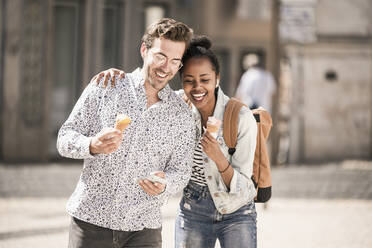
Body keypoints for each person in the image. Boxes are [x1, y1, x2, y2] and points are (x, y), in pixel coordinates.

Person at [95, 36, 258, 248]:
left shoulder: (240, 117)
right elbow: (144, 91)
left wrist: (219, 159)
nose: (198, 87)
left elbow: (246, 189)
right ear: (181, 81)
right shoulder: (177, 107)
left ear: (217, 78)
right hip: (193, 210)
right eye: (189, 80)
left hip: (237, 212)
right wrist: (117, 76)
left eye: (205, 79)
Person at [57, 18, 195, 248]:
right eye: (160, 56)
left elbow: (181, 170)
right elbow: (65, 137)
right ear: (144, 49)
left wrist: (166, 182)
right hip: (91, 221)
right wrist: (92, 145)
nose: (166, 68)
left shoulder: (181, 113)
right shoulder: (105, 86)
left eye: (175, 62)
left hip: (144, 230)